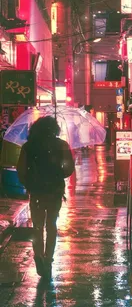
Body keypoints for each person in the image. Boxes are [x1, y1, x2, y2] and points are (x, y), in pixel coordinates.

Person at [17, 116, 75, 280]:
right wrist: (58, 175)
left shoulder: (29, 147)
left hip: (36, 192)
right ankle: (48, 258)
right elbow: (69, 168)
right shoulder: (62, 145)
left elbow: (20, 170)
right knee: (51, 225)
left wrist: (29, 183)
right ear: (54, 129)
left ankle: (38, 256)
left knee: (37, 226)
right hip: (55, 191)